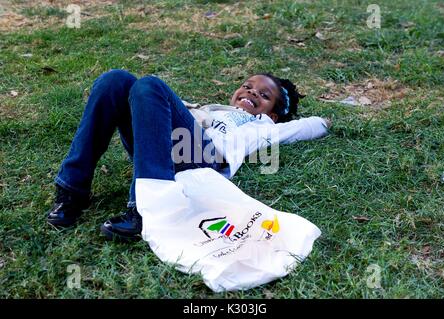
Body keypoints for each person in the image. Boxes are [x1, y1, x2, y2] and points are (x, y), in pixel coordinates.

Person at [46, 69, 331, 242]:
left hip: (203, 160)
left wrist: (327, 122)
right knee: (115, 80)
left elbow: (310, 125)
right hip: (159, 147)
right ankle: (72, 191)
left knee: (150, 85)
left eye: (263, 94)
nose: (251, 92)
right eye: (247, 85)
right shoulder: (210, 107)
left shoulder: (261, 127)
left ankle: (143, 209)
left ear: (273, 114)